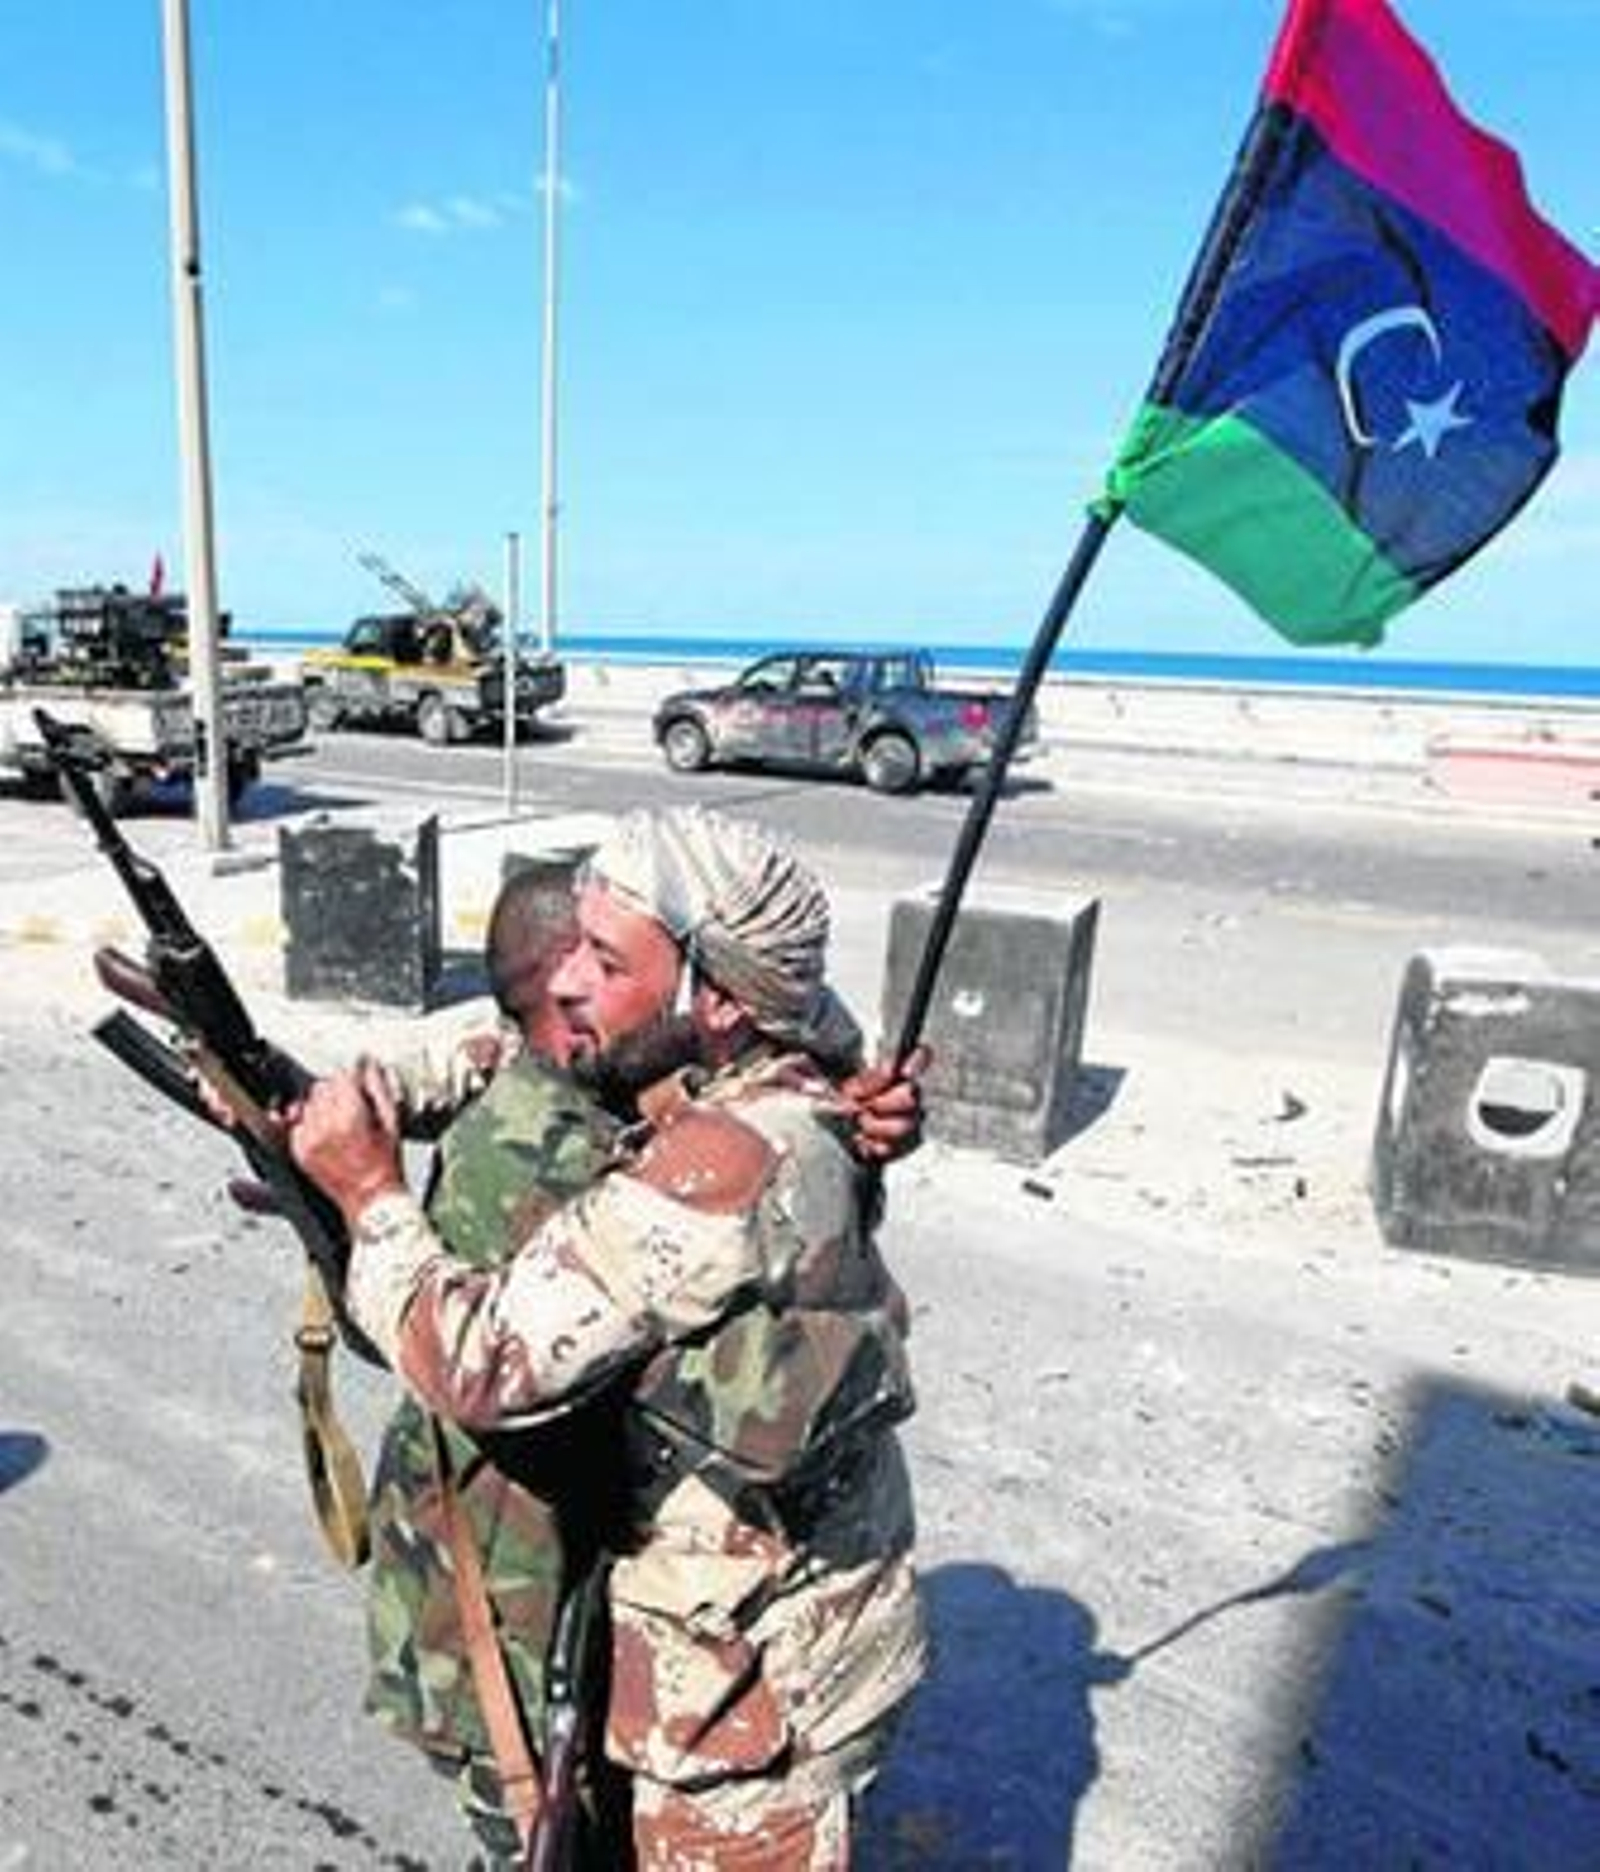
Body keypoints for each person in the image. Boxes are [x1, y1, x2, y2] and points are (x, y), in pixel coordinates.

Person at [291, 807, 927, 1869]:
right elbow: (509, 1034)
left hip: (753, 1702)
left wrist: (370, 1197)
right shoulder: (778, 1038)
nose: (569, 982)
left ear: (710, 999)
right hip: (763, 1630)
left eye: (605, 958)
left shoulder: (721, 1162)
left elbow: (481, 1360)